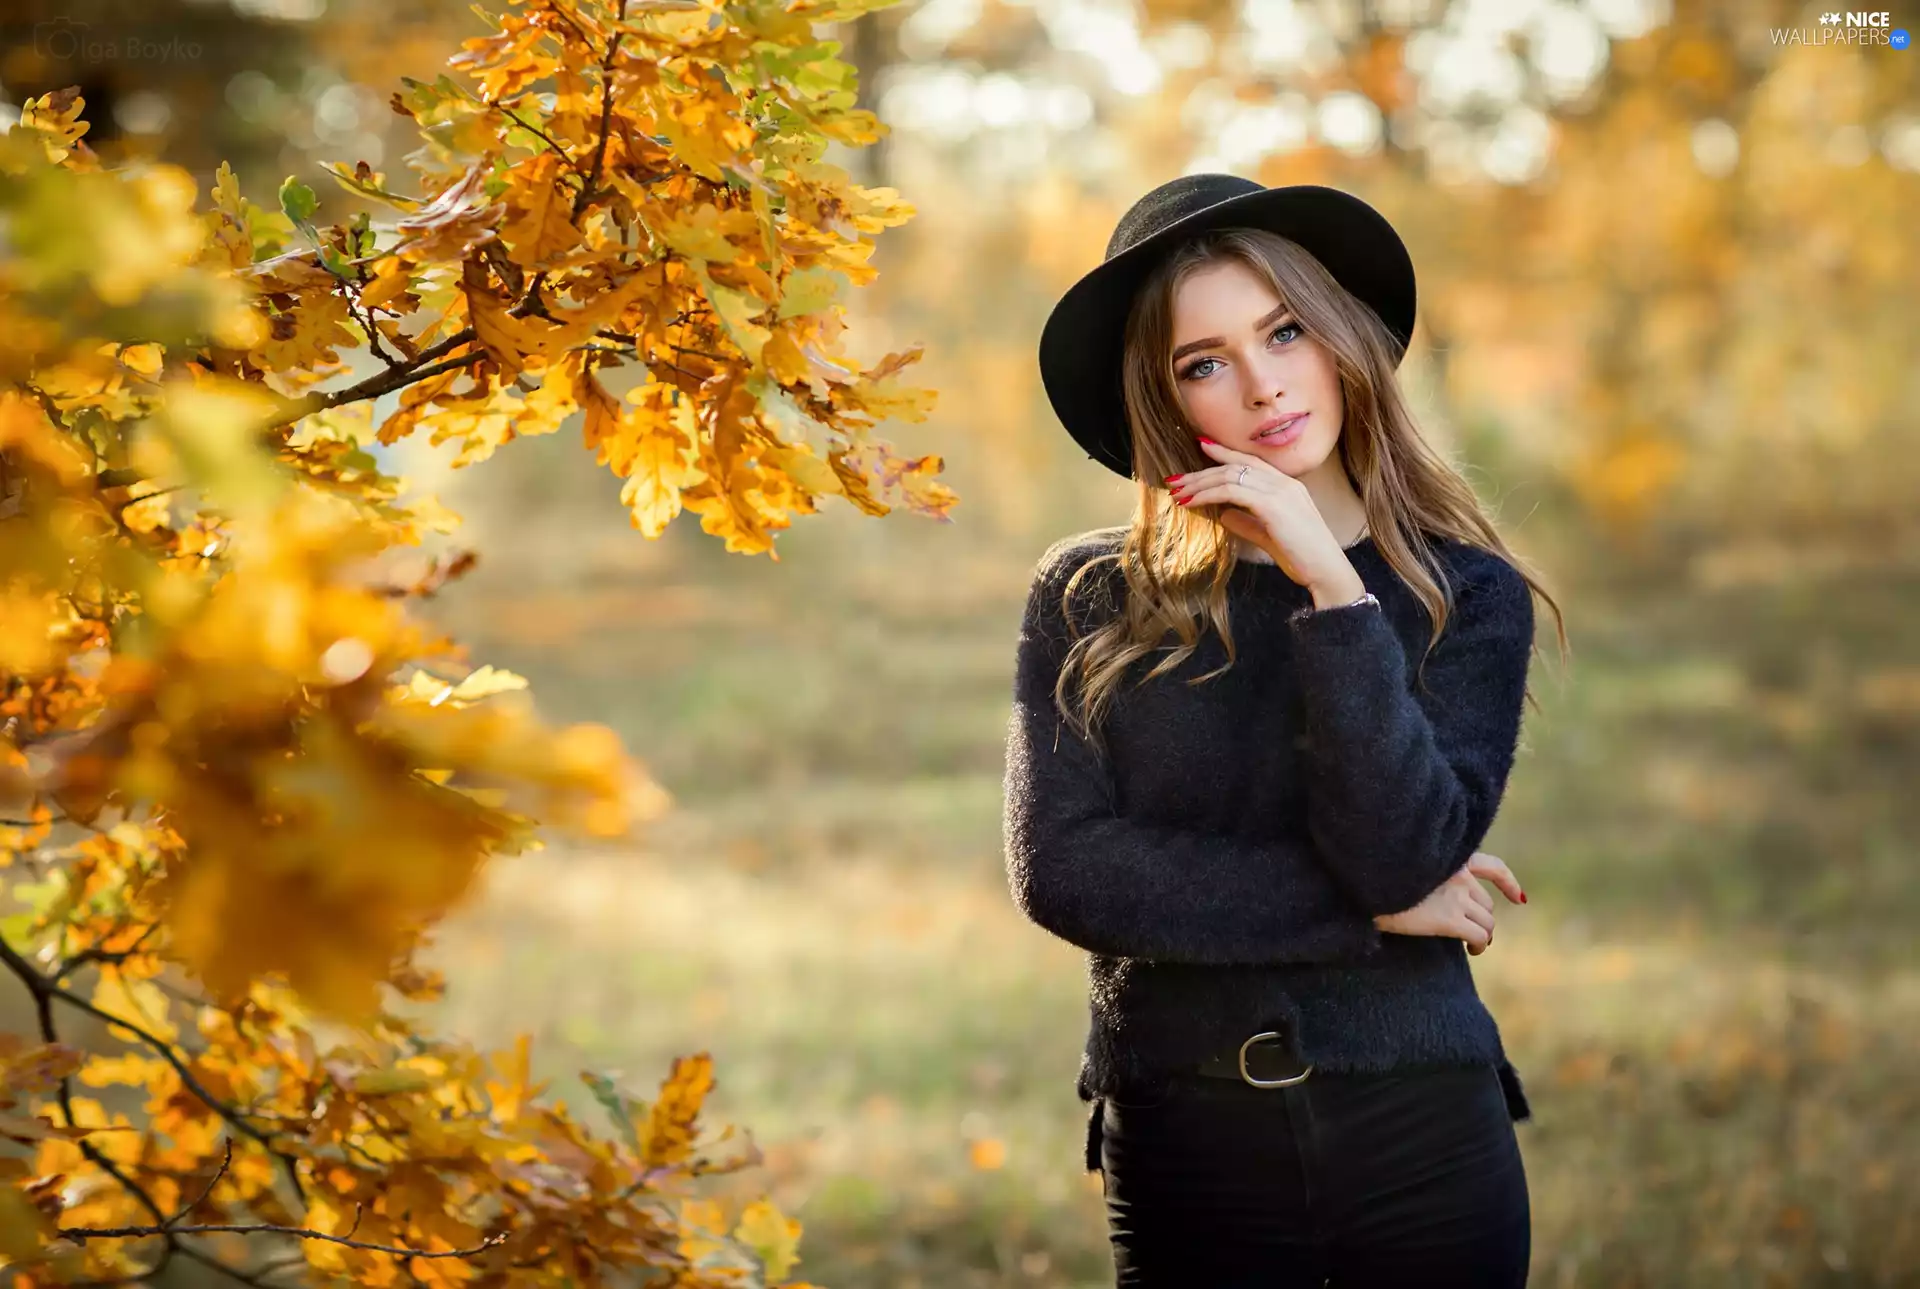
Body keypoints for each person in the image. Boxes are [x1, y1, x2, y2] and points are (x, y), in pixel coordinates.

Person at [1004, 174, 1570, 1288]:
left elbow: (1403, 849)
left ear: (1342, 338)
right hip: (1184, 1142)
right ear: (1164, 403)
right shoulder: (1089, 595)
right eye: (1203, 361)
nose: (1262, 386)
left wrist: (1330, 583)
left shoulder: (1467, 592)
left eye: (1285, 330)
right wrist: (1373, 913)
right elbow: (1069, 874)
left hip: (1421, 1134)